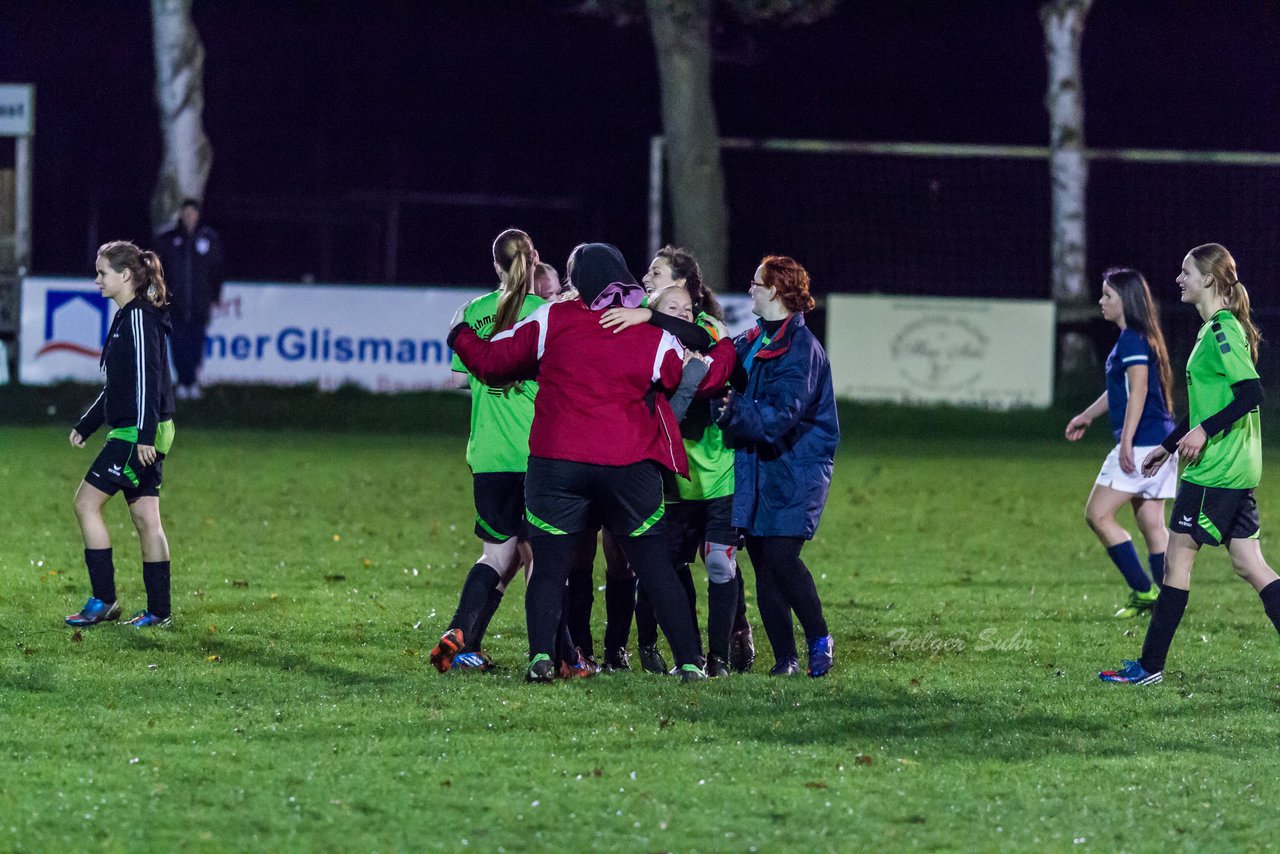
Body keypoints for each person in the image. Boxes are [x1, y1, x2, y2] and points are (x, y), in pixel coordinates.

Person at [449, 242, 735, 683]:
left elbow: (492, 363)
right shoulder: (651, 334)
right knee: (656, 565)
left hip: (557, 464)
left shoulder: (552, 318)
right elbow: (707, 377)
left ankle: (543, 659)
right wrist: (722, 346)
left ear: (576, 280)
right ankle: (692, 662)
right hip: (628, 466)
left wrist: (460, 333)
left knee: (549, 567)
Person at [1101, 243, 1280, 686]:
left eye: (1186, 272)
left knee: (1176, 559)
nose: (1179, 279)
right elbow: (1206, 406)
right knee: (1249, 564)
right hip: (1234, 467)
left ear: (1209, 281)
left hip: (1216, 469)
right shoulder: (1213, 329)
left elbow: (1252, 394)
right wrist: (1169, 443)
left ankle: (1148, 667)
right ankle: (1149, 667)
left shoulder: (1221, 331)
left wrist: (1202, 433)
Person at [600, 246, 753, 676]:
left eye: (657, 271)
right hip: (668, 479)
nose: (647, 276)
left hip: (717, 473)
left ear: (683, 284)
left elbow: (719, 371)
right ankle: (673, 649)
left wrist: (686, 374)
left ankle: (724, 653)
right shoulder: (643, 329)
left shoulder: (707, 328)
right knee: (666, 569)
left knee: (721, 563)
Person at [714, 255, 838, 677]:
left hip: (796, 470)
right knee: (765, 565)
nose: (749, 289)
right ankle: (785, 658)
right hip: (760, 467)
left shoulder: (801, 349)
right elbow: (721, 367)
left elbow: (781, 415)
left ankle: (820, 637)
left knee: (782, 559)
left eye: (755, 283)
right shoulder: (753, 339)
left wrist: (733, 411)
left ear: (774, 292)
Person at [429, 228, 545, 673]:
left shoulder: (472, 312)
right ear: (533, 262)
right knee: (538, 557)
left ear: (495, 265)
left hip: (489, 454)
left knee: (495, 556)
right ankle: (546, 654)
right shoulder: (545, 314)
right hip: (536, 454)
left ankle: (459, 634)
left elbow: (459, 378)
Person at [66, 241, 177, 629]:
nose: (97, 280)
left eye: (102, 273)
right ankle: (159, 612)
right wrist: (87, 424)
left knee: (85, 505)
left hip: (136, 434)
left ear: (125, 275)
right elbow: (119, 386)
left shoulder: (137, 318)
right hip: (144, 429)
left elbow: (149, 382)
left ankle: (104, 600)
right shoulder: (130, 316)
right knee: (147, 518)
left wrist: (144, 435)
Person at [1065, 268, 1177, 617]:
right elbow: (1122, 391)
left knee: (1098, 515)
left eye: (1107, 296)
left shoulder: (1131, 339)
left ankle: (1144, 591)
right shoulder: (1139, 337)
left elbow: (1139, 390)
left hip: (1143, 443)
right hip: (1161, 440)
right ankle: (1170, 601)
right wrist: (1087, 415)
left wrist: (1126, 442)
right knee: (1152, 525)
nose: (1101, 301)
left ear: (1125, 300)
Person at [156, 198, 224, 400]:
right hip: (175, 304)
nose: (189, 217)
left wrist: (215, 295)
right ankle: (182, 382)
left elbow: (216, 270)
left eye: (192, 213)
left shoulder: (208, 238)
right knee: (177, 344)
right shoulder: (169, 240)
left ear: (197, 215)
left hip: (199, 304)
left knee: (196, 343)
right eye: (185, 213)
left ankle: (192, 381)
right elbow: (159, 271)